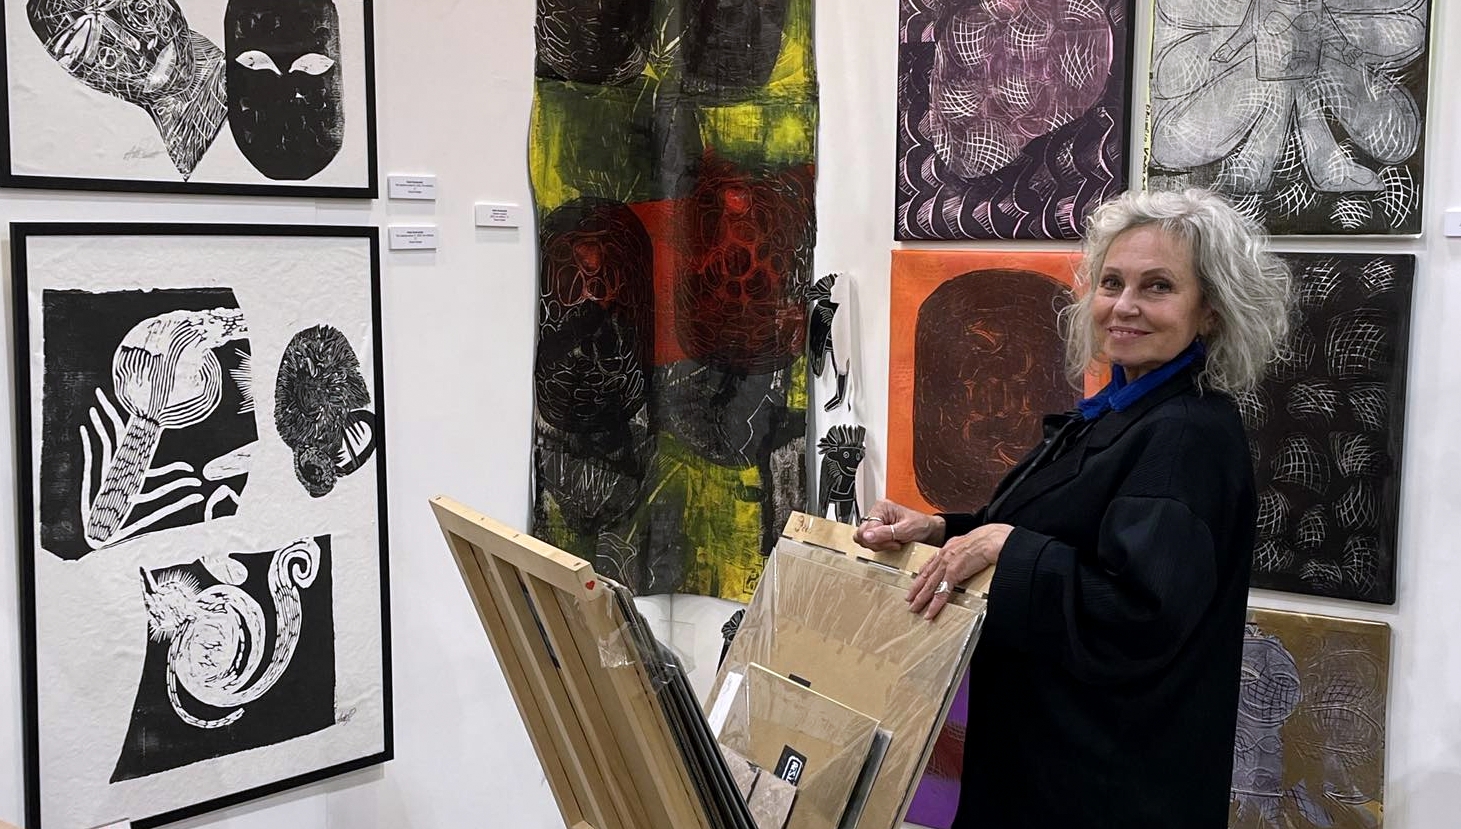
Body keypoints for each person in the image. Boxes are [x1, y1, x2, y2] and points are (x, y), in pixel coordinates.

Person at [855, 188, 1292, 828]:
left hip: (1103, 790)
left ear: (1211, 312)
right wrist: (943, 530)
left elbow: (1137, 614)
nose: (1124, 305)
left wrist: (1008, 548)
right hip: (1041, 768)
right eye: (1112, 283)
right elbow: (1061, 532)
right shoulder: (1121, 413)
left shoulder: (1184, 437)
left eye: (1158, 286)